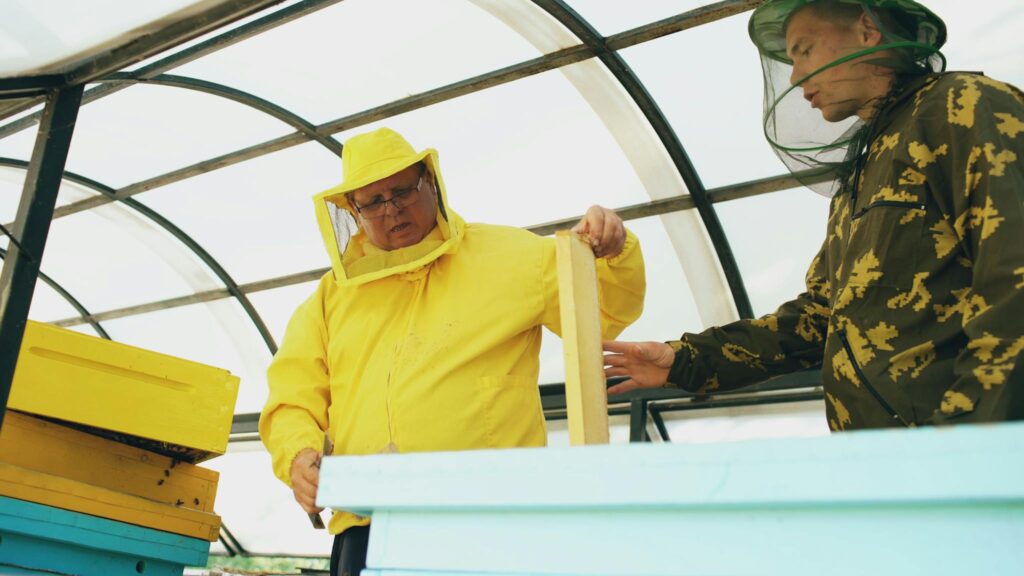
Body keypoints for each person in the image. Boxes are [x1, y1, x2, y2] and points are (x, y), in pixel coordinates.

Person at [604, 0, 1023, 430]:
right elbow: (820, 317)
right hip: (890, 461)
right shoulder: (862, 171)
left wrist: (970, 441)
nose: (795, 75)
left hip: (967, 458)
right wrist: (683, 362)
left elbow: (1014, 280)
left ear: (866, 30)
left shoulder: (963, 108)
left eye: (804, 50)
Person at [259, 127, 646, 575]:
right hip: (366, 523)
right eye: (373, 201)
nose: (392, 209)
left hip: (491, 518)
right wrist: (298, 455)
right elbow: (291, 397)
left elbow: (604, 311)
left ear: (430, 181)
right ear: (352, 209)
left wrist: (614, 250)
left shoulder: (513, 255)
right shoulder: (330, 298)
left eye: (402, 190)